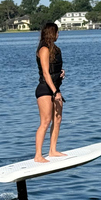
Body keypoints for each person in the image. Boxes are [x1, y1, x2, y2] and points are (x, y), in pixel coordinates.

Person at [34, 23, 67, 163]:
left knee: (57, 119)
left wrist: (61, 73)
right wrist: (55, 92)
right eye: (57, 32)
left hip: (55, 88)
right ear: (51, 33)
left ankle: (52, 150)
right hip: (45, 90)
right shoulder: (44, 49)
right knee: (46, 121)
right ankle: (38, 155)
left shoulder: (55, 49)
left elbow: (53, 69)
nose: (58, 35)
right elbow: (46, 74)